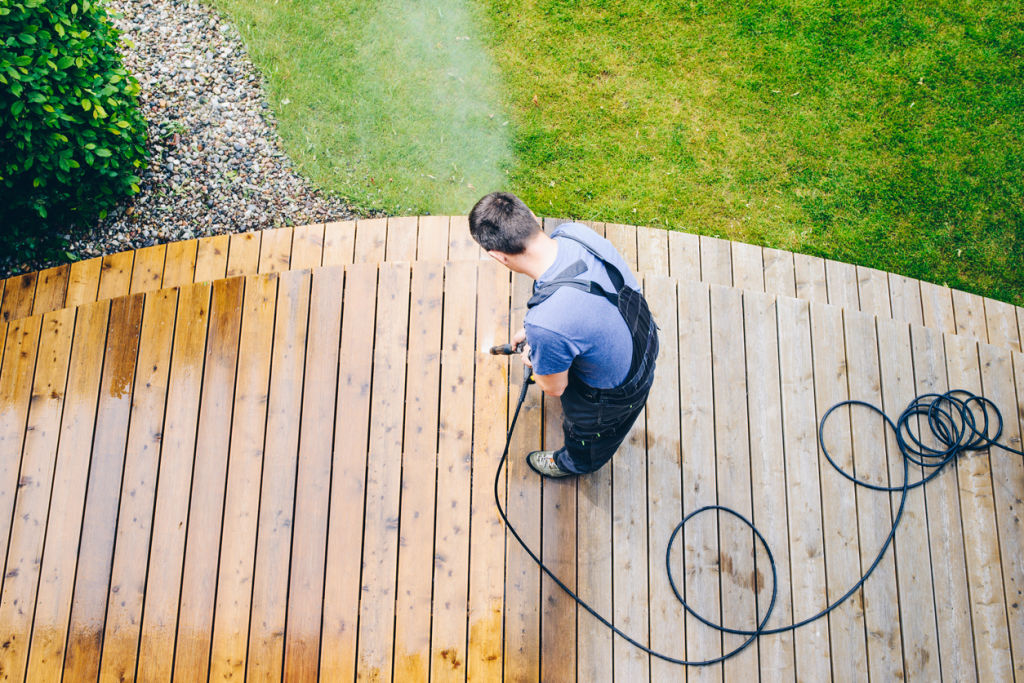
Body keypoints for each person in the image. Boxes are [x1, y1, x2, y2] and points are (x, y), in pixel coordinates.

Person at [468, 191, 659, 478]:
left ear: (498, 257)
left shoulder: (546, 325)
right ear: (531, 215)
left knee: (589, 437)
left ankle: (575, 463)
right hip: (642, 336)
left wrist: (539, 353)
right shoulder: (574, 234)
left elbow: (554, 388)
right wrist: (543, 333)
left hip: (618, 394)